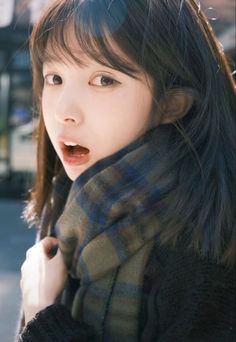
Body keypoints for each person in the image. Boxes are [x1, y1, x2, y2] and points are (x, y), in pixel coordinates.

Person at [17, 0, 235, 341]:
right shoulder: (69, 208)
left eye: (103, 79)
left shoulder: (206, 250)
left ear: (170, 104)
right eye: (55, 77)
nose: (63, 111)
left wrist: (43, 316)